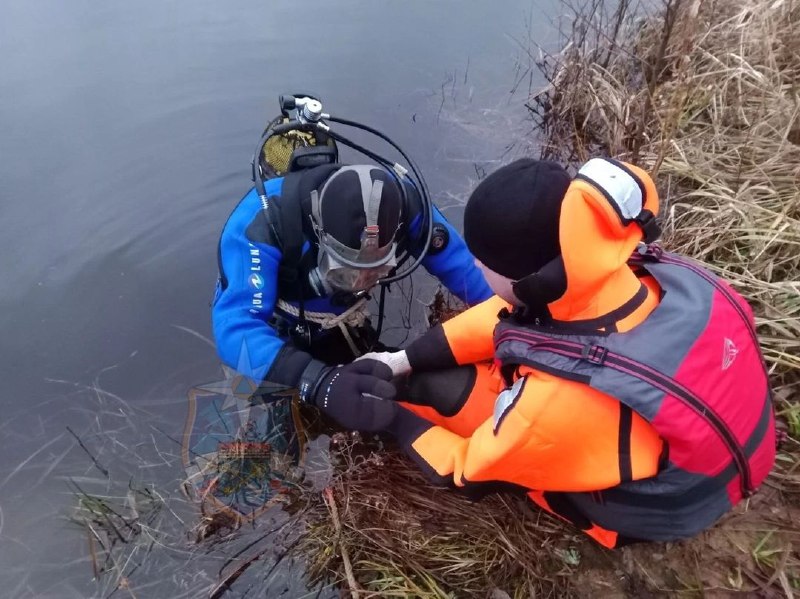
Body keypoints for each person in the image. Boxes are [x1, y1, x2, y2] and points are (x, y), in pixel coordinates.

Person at [320, 157, 776, 546]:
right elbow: (500, 318)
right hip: (712, 442)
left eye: (485, 263)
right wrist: (403, 360)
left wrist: (396, 418)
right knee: (420, 378)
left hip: (664, 508)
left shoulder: (554, 406)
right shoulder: (611, 270)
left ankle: (592, 513)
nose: (475, 266)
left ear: (525, 280)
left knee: (423, 396)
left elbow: (466, 472)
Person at [211, 160, 493, 422]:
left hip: (342, 315)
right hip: (285, 320)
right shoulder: (258, 227)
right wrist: (318, 381)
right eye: (347, 272)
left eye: (376, 272)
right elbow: (235, 329)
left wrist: (510, 318)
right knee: (275, 414)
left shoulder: (407, 207)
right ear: (319, 233)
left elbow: (468, 272)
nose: (361, 283)